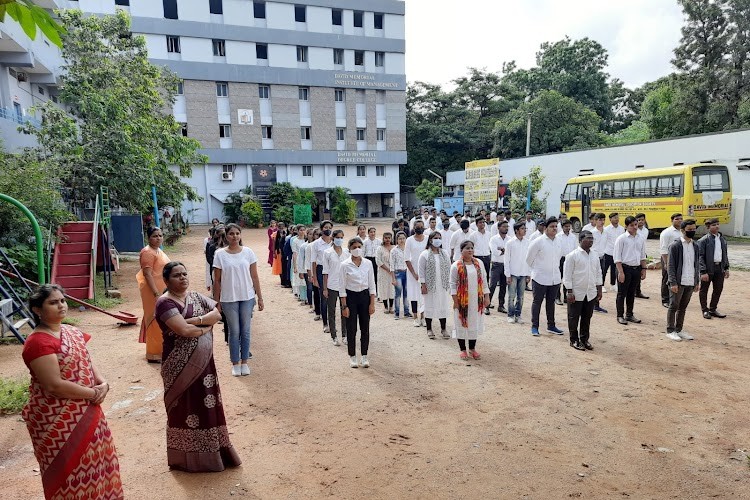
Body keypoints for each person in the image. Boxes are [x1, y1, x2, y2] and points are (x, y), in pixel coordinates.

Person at [22, 284, 123, 499]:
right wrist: (93, 394)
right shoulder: (38, 342)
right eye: (53, 302)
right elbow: (54, 386)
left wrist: (103, 383)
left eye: (62, 301)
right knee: (71, 473)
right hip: (57, 421)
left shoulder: (71, 331)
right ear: (37, 310)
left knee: (97, 463)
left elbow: (87, 359)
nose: (61, 306)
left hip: (89, 410)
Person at [155, 262, 242, 472]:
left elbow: (217, 314)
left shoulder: (195, 296)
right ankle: (185, 459)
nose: (183, 278)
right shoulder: (164, 303)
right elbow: (184, 331)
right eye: (177, 275)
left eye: (185, 273)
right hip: (178, 368)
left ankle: (215, 452)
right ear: (166, 281)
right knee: (185, 407)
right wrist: (204, 327)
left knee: (207, 405)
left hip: (205, 365)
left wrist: (197, 320)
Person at [212, 223, 264, 376]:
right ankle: (235, 362)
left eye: (237, 233)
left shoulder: (248, 252)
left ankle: (245, 362)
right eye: (231, 234)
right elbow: (217, 280)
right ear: (226, 236)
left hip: (247, 297)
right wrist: (217, 302)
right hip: (228, 298)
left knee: (246, 330)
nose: (234, 236)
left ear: (240, 235)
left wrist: (259, 297)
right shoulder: (220, 254)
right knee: (234, 331)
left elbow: (254, 276)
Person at [450, 240, 490, 360]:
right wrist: (455, 301)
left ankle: (472, 349)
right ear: (461, 250)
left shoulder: (479, 263)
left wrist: (486, 296)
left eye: (472, 248)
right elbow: (452, 284)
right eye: (467, 248)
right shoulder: (456, 265)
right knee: (461, 323)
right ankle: (463, 350)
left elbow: (484, 280)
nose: (470, 250)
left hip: (476, 300)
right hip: (462, 301)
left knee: (474, 323)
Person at [340, 238, 376, 368]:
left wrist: (372, 303)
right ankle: (352, 356)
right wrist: (344, 306)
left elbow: (372, 284)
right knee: (351, 328)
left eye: (359, 246)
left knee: (365, 327)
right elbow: (342, 287)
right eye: (354, 247)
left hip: (364, 296)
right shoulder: (344, 265)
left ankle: (364, 356)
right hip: (351, 297)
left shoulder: (368, 263)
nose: (357, 249)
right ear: (349, 249)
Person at [563, 231, 603, 351]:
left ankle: (584, 339)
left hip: (590, 292)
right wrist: (569, 291)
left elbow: (598, 272)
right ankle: (574, 340)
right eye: (588, 238)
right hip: (576, 292)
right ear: (580, 240)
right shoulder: (572, 256)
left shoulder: (594, 255)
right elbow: (567, 275)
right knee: (573, 317)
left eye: (592, 239)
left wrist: (599, 288)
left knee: (587, 317)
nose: (591, 241)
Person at [526, 217, 564, 336]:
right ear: (545, 228)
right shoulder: (538, 241)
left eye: (556, 226)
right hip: (540, 278)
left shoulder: (558, 241)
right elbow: (528, 260)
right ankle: (534, 326)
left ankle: (551, 325)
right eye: (552, 226)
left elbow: (558, 258)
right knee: (537, 302)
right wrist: (536, 271)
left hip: (554, 278)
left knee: (551, 302)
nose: (554, 228)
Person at [137, 226, 171, 362]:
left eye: (160, 235)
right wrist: (156, 293)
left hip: (162, 290)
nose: (158, 238)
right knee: (155, 319)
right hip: (153, 292)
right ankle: (154, 352)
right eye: (155, 236)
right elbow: (147, 274)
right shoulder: (148, 252)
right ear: (148, 237)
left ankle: (162, 349)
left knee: (163, 319)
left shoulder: (158, 251)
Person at [666, 220, 700, 341]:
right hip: (678, 282)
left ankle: (679, 329)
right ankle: (670, 330)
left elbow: (696, 265)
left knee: (683, 307)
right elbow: (670, 266)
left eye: (694, 229)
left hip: (690, 281)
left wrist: (697, 281)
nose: (692, 231)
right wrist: (673, 282)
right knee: (673, 305)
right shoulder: (675, 246)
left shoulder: (695, 246)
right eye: (689, 229)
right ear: (682, 230)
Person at [613, 216, 647, 325]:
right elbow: (617, 257)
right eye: (631, 225)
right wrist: (621, 272)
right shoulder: (621, 239)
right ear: (626, 226)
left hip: (636, 269)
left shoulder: (640, 238)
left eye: (635, 225)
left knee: (631, 293)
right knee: (621, 293)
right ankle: (620, 315)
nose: (634, 227)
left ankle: (629, 314)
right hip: (624, 268)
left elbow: (642, 255)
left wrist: (644, 269)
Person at [418, 231, 452, 339]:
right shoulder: (425, 254)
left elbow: (449, 268)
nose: (438, 240)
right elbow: (421, 271)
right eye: (435, 238)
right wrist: (423, 284)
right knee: (429, 305)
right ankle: (429, 329)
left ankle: (443, 329)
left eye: (439, 238)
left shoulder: (445, 253)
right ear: (431, 240)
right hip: (430, 285)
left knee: (443, 305)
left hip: (443, 285)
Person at [697, 218, 730, 319]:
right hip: (708, 269)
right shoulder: (703, 240)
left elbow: (725, 254)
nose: (716, 226)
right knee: (704, 289)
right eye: (713, 225)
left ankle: (713, 309)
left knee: (718, 289)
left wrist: (726, 268)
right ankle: (704, 310)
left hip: (719, 268)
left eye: (717, 224)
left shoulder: (722, 239)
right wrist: (703, 271)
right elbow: (700, 256)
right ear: (708, 227)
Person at [322, 229, 350, 346]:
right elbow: (325, 272)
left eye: (342, 237)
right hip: (332, 285)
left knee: (344, 309)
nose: (340, 240)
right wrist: (325, 288)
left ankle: (345, 335)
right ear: (333, 238)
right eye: (338, 237)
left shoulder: (347, 252)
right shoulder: (327, 253)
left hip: (344, 286)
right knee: (331, 311)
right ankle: (334, 335)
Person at [504, 222, 531, 323]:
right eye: (522, 228)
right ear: (516, 230)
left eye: (525, 229)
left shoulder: (527, 242)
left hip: (523, 273)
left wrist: (529, 274)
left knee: (521, 296)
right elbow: (506, 260)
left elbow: (529, 260)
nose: (524, 230)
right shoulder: (510, 243)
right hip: (513, 273)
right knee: (511, 296)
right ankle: (510, 315)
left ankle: (518, 315)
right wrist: (508, 275)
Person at [405, 219, 428, 326]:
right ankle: (415, 317)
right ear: (414, 228)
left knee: (424, 295)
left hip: (425, 271)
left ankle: (423, 317)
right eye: (417, 226)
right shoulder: (409, 240)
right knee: (414, 294)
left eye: (421, 226)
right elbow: (406, 258)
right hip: (412, 272)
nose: (419, 228)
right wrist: (414, 273)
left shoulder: (428, 239)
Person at [659, 213, 684, 308]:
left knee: (677, 278)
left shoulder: (683, 231)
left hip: (679, 259)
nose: (680, 220)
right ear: (672, 220)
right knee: (667, 278)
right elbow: (663, 249)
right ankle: (665, 299)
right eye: (677, 219)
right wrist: (666, 262)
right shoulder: (667, 232)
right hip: (668, 258)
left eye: (681, 219)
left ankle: (675, 298)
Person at [311, 220, 333, 325]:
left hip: (332, 270)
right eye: (325, 227)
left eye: (329, 227)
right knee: (324, 296)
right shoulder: (316, 244)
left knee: (332, 297)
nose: (328, 229)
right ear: (321, 229)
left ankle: (332, 321)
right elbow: (313, 262)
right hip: (320, 270)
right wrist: (314, 278)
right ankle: (325, 323)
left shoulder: (334, 242)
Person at [470, 216, 492, 313]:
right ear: (476, 224)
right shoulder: (473, 235)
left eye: (483, 222)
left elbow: (490, 247)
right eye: (480, 223)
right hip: (477, 258)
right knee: (476, 279)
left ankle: (485, 303)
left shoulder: (488, 234)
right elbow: (471, 248)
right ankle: (476, 300)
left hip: (486, 258)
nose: (482, 224)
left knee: (485, 279)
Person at [488, 220, 509, 313]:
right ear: (499, 228)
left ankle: (501, 305)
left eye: (507, 226)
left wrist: (502, 249)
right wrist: (504, 251)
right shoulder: (494, 239)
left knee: (503, 286)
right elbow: (495, 252)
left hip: (506, 265)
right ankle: (487, 305)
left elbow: (510, 253)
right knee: (492, 286)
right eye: (504, 226)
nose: (506, 228)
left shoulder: (509, 239)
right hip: (496, 265)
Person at [556, 219, 578, 305]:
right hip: (561, 259)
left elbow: (576, 248)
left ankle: (566, 296)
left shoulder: (573, 237)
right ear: (562, 227)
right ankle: (557, 297)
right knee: (559, 278)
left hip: (570, 259)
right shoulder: (558, 237)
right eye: (566, 226)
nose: (568, 228)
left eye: (569, 226)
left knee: (568, 278)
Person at [390, 231, 411, 320]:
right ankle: (397, 313)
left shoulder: (408, 249)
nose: (402, 240)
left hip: (407, 273)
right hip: (398, 273)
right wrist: (393, 278)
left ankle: (406, 312)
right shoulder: (394, 251)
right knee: (398, 294)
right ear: (396, 240)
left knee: (407, 294)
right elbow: (391, 265)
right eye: (399, 239)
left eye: (403, 238)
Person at [590, 213, 609, 313]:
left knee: (600, 280)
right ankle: (591, 303)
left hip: (602, 257)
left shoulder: (606, 232)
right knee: (593, 281)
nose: (602, 222)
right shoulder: (592, 232)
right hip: (593, 258)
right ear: (595, 220)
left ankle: (597, 304)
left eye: (603, 220)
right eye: (600, 220)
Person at [602, 213, 625, 292]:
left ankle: (613, 284)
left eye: (617, 218)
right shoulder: (606, 229)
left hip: (617, 253)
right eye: (614, 218)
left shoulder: (621, 229)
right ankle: (601, 285)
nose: (616, 219)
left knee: (614, 270)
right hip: (608, 252)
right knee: (604, 270)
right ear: (610, 219)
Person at [376, 232, 395, 313]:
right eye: (386, 238)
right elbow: (378, 261)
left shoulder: (394, 248)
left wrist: (393, 269)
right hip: (383, 271)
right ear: (383, 238)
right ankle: (385, 306)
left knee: (392, 289)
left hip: (393, 272)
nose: (387, 239)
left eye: (389, 238)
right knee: (384, 288)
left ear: (391, 239)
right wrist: (388, 269)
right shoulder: (379, 248)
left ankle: (391, 306)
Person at [634, 213, 650, 299]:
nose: (641, 222)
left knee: (640, 273)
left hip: (642, 254)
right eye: (639, 220)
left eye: (642, 220)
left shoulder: (645, 230)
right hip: (633, 254)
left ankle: (638, 291)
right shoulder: (634, 230)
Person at [363, 227, 382, 296]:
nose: (373, 233)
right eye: (371, 232)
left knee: (377, 276)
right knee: (368, 276)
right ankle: (369, 291)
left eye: (374, 232)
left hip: (376, 259)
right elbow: (363, 252)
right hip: (368, 259)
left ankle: (377, 292)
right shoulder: (365, 242)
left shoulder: (379, 241)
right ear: (368, 233)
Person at [292, 226, 307, 302]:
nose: (302, 232)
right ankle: (300, 294)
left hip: (306, 261)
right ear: (297, 231)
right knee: (299, 279)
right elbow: (294, 253)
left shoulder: (307, 240)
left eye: (304, 230)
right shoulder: (295, 241)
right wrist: (295, 266)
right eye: (301, 230)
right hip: (298, 261)